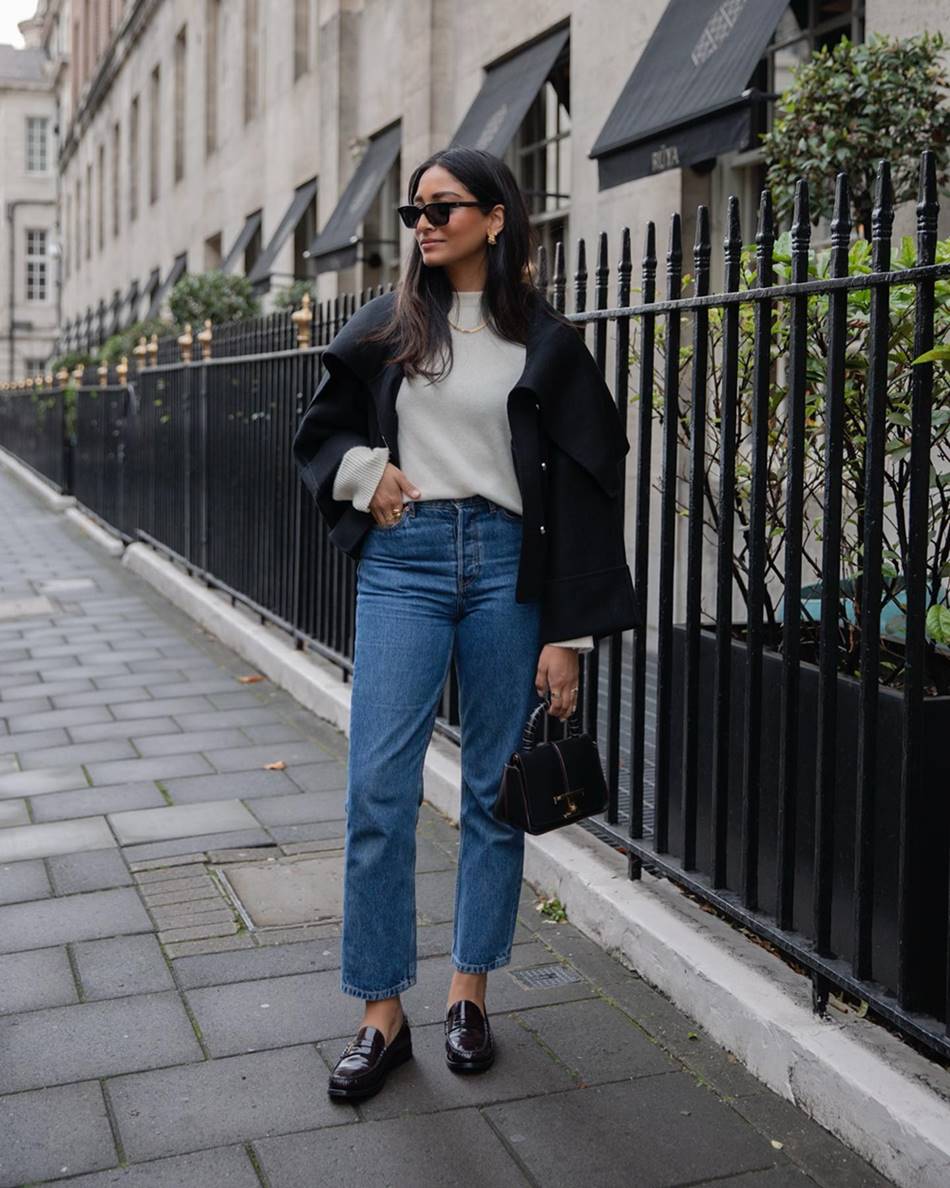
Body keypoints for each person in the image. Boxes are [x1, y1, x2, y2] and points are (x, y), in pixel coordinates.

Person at [292, 146, 638, 1101]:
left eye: (443, 207)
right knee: (378, 790)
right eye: (415, 211)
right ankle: (380, 1014)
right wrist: (367, 474)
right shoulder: (390, 326)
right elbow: (320, 435)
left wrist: (567, 633)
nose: (424, 223)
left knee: (493, 791)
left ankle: (469, 996)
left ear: (496, 216)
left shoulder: (548, 344)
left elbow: (584, 486)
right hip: (403, 566)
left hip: (505, 573)